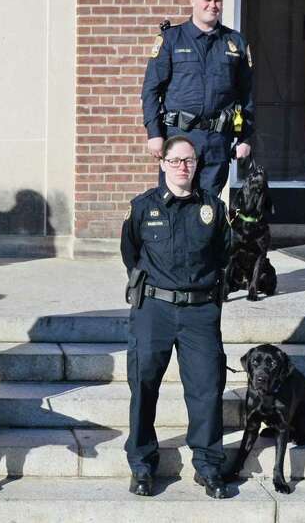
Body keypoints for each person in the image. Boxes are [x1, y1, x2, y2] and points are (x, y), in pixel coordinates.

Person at [121, 135, 230, 499]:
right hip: (154, 309)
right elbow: (130, 252)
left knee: (206, 389)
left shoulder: (213, 209)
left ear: (197, 165)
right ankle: (141, 462)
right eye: (176, 160)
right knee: (144, 385)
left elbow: (223, 255)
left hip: (200, 310)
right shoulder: (142, 207)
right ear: (163, 163)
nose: (183, 167)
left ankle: (209, 465)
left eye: (189, 160)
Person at [141, 0, 254, 196]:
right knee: (174, 202)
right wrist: (154, 133)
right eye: (207, 0)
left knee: (208, 208)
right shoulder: (172, 39)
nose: (213, 5)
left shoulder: (235, 42)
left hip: (217, 141)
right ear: (193, 1)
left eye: (218, 0)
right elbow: (151, 90)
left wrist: (245, 137)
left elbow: (246, 94)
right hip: (179, 136)